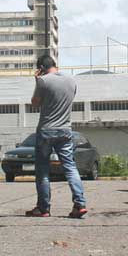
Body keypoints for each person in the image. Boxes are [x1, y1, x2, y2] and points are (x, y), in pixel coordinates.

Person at [25, 55, 88, 218]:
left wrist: (37, 81)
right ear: (54, 65)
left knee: (43, 170)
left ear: (41, 68)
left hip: (46, 130)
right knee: (70, 167)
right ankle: (80, 205)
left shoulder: (43, 81)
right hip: (65, 131)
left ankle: (43, 208)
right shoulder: (72, 81)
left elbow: (35, 103)